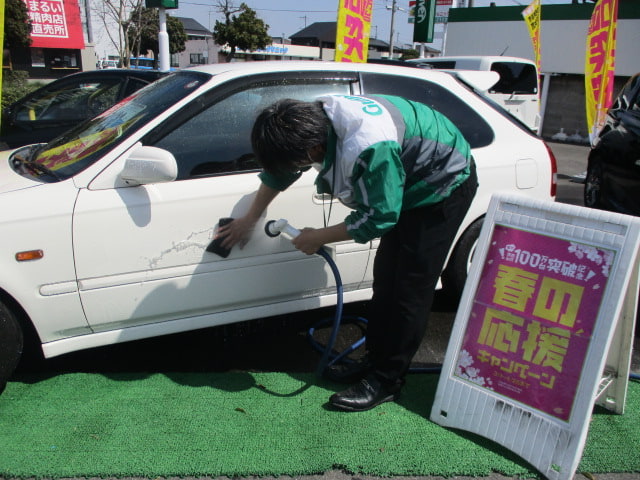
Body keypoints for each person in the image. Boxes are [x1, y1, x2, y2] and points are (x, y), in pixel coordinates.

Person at [218, 94, 478, 412]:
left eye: (299, 161)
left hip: (441, 183)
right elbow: (281, 172)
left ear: (313, 150)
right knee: (386, 280)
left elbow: (380, 217)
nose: (298, 167)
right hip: (402, 179)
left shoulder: (367, 146)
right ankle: (375, 360)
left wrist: (318, 237)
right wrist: (250, 218)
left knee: (409, 289)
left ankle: (387, 381)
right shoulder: (310, 124)